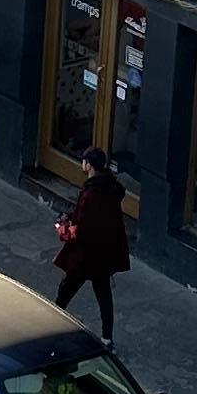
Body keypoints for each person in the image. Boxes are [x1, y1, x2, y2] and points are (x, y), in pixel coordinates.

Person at [54, 145, 130, 340]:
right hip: (104, 254)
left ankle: (51, 325)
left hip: (86, 255)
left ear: (89, 165)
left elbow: (83, 224)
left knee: (66, 290)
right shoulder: (110, 187)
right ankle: (107, 338)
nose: (82, 163)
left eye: (84, 160)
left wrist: (66, 225)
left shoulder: (91, 193)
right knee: (104, 297)